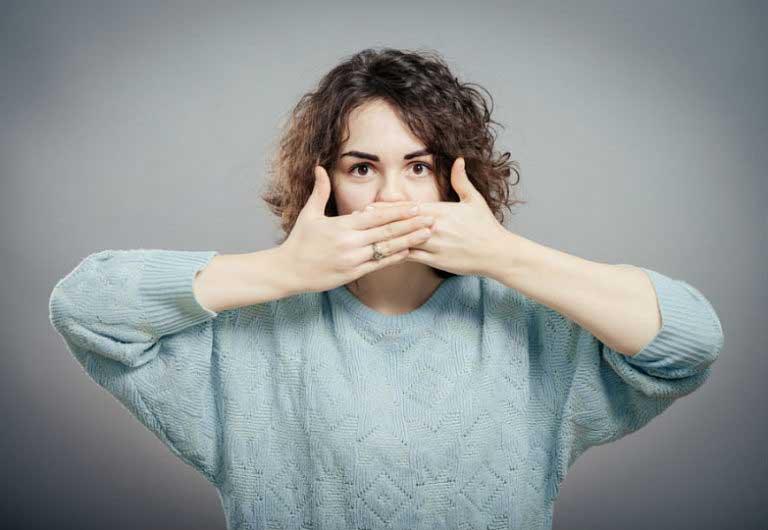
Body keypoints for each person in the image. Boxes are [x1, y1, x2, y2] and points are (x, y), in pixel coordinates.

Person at [48, 47, 724, 530]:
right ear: (324, 182)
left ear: (456, 178)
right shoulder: (252, 335)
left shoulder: (529, 327)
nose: (392, 198)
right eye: (362, 168)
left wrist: (505, 255)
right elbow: (83, 307)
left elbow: (690, 342)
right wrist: (284, 271)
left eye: (419, 166)